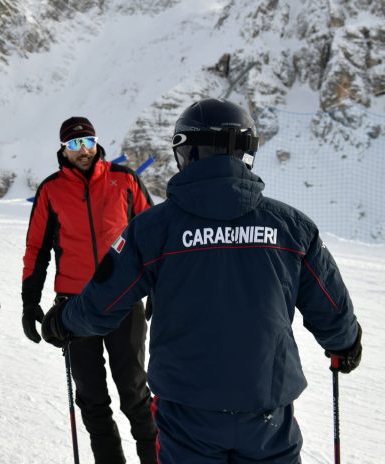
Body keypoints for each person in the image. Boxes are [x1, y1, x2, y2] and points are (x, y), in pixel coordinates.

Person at [42, 98, 363, 464]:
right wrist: (345, 344)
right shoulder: (290, 227)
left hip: (187, 413)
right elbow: (332, 307)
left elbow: (104, 300)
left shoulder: (153, 230)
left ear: (187, 153)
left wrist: (64, 321)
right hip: (267, 411)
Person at [22, 116, 158, 464]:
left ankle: (155, 459)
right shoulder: (51, 190)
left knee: (135, 394)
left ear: (97, 144)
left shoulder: (124, 180)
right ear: (63, 151)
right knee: (93, 400)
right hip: (74, 308)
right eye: (73, 145)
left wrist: (158, 285)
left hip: (124, 302)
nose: (82, 151)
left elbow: (155, 237)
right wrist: (29, 301)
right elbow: (36, 249)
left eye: (87, 142)